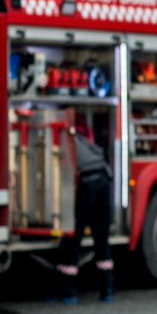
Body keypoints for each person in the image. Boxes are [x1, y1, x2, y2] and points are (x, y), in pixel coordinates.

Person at [50, 119, 115, 303]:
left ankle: (69, 293)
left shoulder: (65, 141)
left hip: (87, 182)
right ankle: (107, 290)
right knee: (101, 238)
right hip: (103, 179)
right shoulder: (84, 141)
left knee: (73, 235)